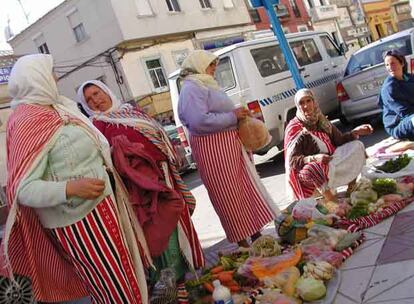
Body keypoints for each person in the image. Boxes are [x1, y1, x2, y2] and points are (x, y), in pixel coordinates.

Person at [2, 54, 150, 304]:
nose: (56, 78)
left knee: (127, 279)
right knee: (114, 290)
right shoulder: (27, 119)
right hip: (79, 222)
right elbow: (23, 189)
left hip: (103, 206)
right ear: (36, 78)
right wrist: (70, 188)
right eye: (51, 73)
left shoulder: (58, 106)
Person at [77, 80, 204, 303]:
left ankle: (182, 283)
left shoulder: (131, 111)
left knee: (177, 228)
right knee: (158, 234)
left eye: (97, 93)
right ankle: (168, 287)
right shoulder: (95, 128)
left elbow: (157, 134)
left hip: (164, 178)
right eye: (89, 99)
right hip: (141, 192)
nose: (96, 100)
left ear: (106, 91)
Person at [177, 50, 279, 249]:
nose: (215, 69)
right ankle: (244, 244)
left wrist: (238, 115)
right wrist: (233, 116)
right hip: (214, 152)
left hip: (229, 147)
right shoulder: (191, 89)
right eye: (211, 65)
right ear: (198, 64)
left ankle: (257, 236)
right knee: (229, 196)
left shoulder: (203, 84)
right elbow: (199, 122)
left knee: (244, 190)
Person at [285, 88, 373, 201]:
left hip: (329, 161)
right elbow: (292, 161)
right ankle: (332, 201)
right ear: (297, 106)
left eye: (308, 101)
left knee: (357, 145)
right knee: (313, 168)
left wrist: (355, 132)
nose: (306, 106)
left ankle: (352, 186)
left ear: (314, 102)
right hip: (309, 171)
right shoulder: (294, 128)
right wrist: (314, 158)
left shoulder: (321, 119)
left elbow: (339, 140)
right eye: (302, 103)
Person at [379, 50, 414, 140]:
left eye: (393, 63)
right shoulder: (389, 88)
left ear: (402, 63)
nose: (390, 67)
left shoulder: (409, 78)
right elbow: (405, 112)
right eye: (387, 65)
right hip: (398, 124)